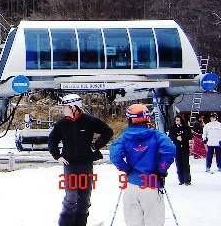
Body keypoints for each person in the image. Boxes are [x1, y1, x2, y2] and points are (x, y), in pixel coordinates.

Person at [48, 94, 114, 226]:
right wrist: (58, 156)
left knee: (84, 199)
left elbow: (108, 131)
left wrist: (96, 145)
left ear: (74, 107)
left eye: (64, 107)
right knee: (71, 198)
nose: (62, 109)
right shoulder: (61, 124)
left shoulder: (89, 121)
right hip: (70, 166)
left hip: (86, 165)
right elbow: (52, 141)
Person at [109, 104, 176, 226]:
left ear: (130, 119)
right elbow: (170, 149)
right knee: (154, 221)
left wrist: (126, 168)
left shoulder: (125, 137)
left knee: (133, 222)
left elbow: (114, 154)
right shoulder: (155, 135)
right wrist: (162, 168)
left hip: (131, 185)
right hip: (152, 184)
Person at [167, 114, 193, 184]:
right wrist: (176, 138)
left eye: (178, 120)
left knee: (185, 163)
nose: (177, 122)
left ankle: (187, 179)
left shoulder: (186, 127)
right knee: (178, 163)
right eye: (176, 120)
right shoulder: (172, 128)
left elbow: (190, 135)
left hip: (184, 147)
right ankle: (181, 180)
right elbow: (170, 136)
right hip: (177, 147)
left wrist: (183, 138)